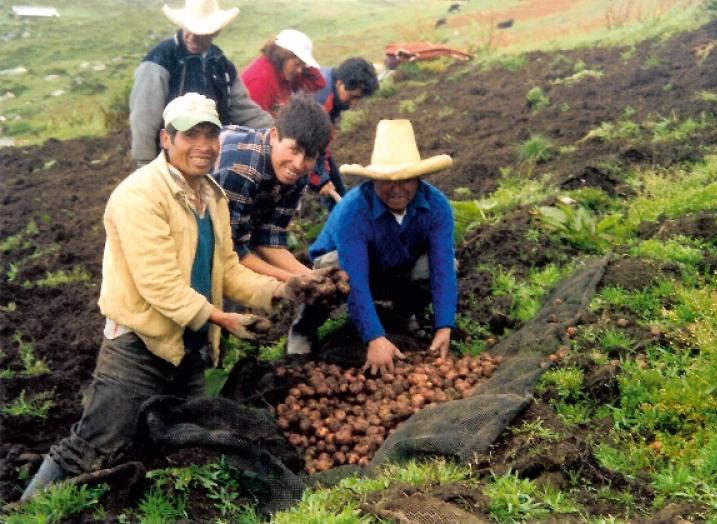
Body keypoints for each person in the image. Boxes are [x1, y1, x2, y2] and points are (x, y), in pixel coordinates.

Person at [19, 93, 343, 502]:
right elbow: (160, 286)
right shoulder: (140, 195)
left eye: (210, 134)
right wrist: (224, 320)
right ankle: (26, 510)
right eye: (190, 135)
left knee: (195, 440)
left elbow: (226, 268)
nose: (203, 146)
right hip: (138, 345)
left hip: (187, 348)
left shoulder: (211, 197)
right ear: (166, 139)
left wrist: (282, 289)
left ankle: (175, 506)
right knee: (92, 443)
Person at [287, 120, 457, 376]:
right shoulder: (353, 211)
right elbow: (354, 278)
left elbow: (443, 267)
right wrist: (373, 338)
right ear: (374, 180)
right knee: (332, 272)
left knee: (443, 266)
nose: (397, 189)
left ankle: (401, 316)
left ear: (419, 179)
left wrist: (444, 326)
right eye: (387, 180)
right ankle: (303, 329)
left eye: (406, 180)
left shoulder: (437, 206)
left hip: (396, 265)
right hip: (345, 268)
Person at [129, 0, 273, 166]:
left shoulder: (221, 63)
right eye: (188, 29)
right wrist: (145, 163)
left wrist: (278, 132)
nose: (190, 36)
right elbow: (144, 118)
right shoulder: (159, 62)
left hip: (211, 156)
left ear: (215, 32)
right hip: (169, 160)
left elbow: (244, 109)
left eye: (198, 32)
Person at [213, 94, 332, 283]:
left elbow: (269, 237)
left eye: (310, 157)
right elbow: (232, 252)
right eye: (293, 150)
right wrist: (294, 280)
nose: (298, 164)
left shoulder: (296, 173)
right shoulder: (242, 171)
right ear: (275, 135)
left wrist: (313, 277)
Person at [311, 57, 380, 209]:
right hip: (289, 148)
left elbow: (322, 144)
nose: (354, 104)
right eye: (353, 97)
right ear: (340, 83)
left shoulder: (333, 84)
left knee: (337, 187)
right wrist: (320, 179)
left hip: (310, 143)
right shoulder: (321, 99)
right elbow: (305, 146)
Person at [240, 29, 325, 116]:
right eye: (297, 64)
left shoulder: (282, 72)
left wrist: (307, 65)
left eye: (303, 65)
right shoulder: (261, 80)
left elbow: (317, 84)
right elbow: (253, 122)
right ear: (282, 55)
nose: (299, 70)